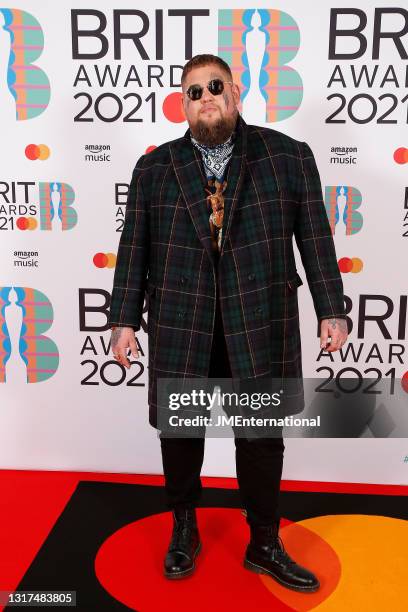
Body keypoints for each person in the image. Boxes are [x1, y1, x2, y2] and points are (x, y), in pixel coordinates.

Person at [108, 54, 348, 592]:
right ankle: (184, 528)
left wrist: (332, 307)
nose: (206, 97)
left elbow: (315, 238)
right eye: (193, 91)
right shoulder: (154, 168)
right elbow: (134, 250)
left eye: (215, 86)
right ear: (184, 105)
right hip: (180, 320)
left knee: (262, 437)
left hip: (260, 320)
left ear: (235, 92)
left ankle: (264, 542)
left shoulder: (286, 155)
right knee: (181, 432)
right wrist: (124, 318)